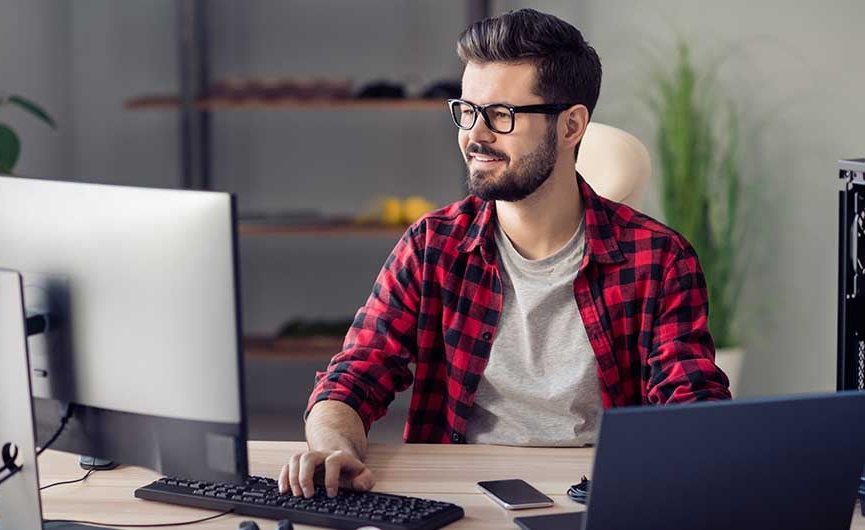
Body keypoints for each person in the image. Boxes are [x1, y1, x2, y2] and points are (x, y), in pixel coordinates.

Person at [278, 8, 731, 499]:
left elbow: (691, 403)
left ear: (571, 126)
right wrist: (333, 446)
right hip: (463, 495)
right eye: (467, 111)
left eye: (501, 115)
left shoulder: (659, 258)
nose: (475, 135)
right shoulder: (433, 246)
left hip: (599, 496)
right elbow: (355, 375)